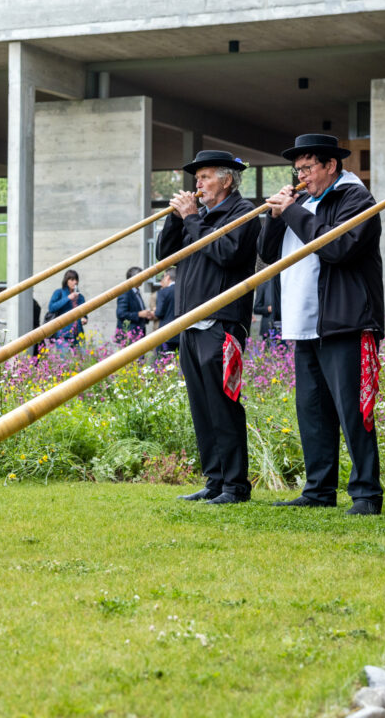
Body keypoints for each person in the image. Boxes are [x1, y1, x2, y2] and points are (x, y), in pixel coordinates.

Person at [259, 133, 385, 515]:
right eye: (297, 170)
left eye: (308, 168)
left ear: (331, 165)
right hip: (304, 322)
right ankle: (318, 488)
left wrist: (294, 212)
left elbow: (336, 247)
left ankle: (366, 493)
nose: (302, 177)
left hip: (345, 321)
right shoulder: (305, 202)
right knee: (312, 410)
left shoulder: (355, 198)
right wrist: (275, 214)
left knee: (353, 410)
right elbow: (266, 255)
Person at [156, 150, 260, 505]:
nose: (197, 185)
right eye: (196, 178)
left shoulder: (243, 213)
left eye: (204, 177)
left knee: (223, 403)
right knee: (202, 405)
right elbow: (164, 255)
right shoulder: (195, 218)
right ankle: (215, 480)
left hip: (222, 322)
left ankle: (235, 485)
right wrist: (177, 218)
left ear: (227, 180)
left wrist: (192, 219)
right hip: (190, 322)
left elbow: (227, 253)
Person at [46, 269, 87, 350]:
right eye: (72, 280)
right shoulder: (59, 293)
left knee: (82, 360)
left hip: (78, 334)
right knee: (64, 360)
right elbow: (51, 308)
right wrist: (68, 298)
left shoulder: (81, 297)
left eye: (76, 280)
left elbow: (84, 314)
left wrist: (84, 319)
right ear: (66, 281)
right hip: (63, 334)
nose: (75, 282)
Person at [115, 266, 154, 343]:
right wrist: (139, 314)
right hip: (129, 335)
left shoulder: (136, 292)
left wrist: (147, 315)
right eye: (141, 277)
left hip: (138, 333)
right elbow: (121, 313)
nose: (143, 279)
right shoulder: (125, 292)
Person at [252, 277, 282, 345]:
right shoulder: (264, 285)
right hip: (268, 328)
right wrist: (267, 309)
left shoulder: (285, 284)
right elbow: (256, 308)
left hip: (284, 329)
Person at [154, 268, 177, 353]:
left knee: (163, 360)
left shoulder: (164, 292)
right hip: (182, 332)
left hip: (166, 331)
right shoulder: (184, 290)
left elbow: (159, 313)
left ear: (167, 277)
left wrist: (155, 311)